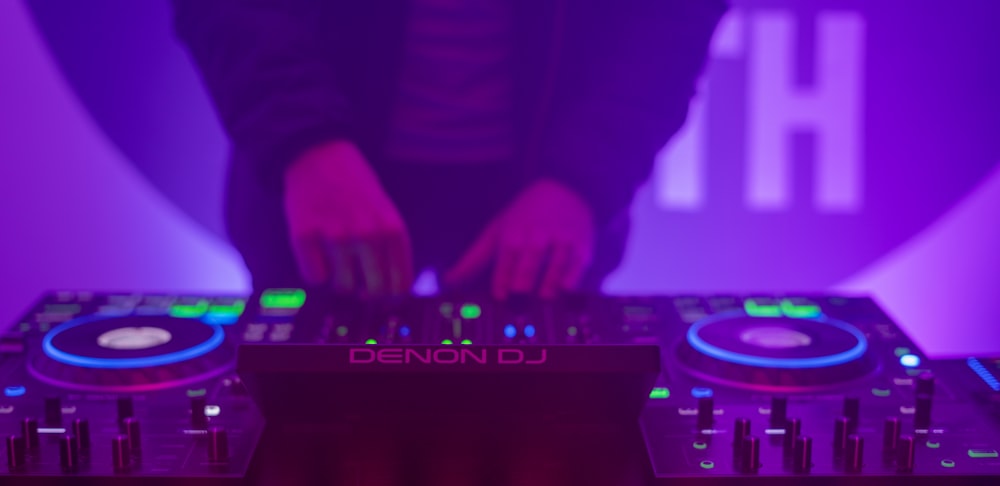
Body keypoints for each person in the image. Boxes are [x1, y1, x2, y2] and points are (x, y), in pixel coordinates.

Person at [173, 0, 725, 298]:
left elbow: (670, 17)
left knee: (545, 463)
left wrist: (579, 182)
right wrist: (305, 145)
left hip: (547, 197)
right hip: (322, 181)